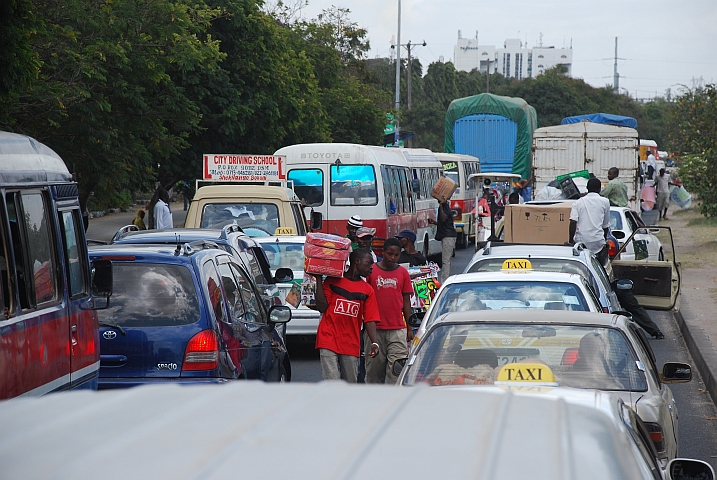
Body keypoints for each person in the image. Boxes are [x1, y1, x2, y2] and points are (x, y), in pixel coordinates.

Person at [314, 248, 380, 382]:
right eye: (369, 263)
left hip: (350, 342)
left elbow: (370, 319)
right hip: (328, 338)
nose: (372, 268)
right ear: (357, 261)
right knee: (332, 383)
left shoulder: (368, 290)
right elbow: (322, 306)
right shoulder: (333, 281)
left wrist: (374, 342)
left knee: (349, 384)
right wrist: (319, 279)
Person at [365, 238, 414, 384]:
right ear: (383, 252)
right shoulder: (371, 272)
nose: (392, 258)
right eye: (389, 254)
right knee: (374, 375)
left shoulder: (403, 273)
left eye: (396, 255)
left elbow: (406, 302)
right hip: (374, 331)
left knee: (396, 373)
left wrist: (409, 328)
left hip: (397, 331)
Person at [569, 178, 611, 265]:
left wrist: (570, 241)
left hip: (581, 241)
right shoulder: (605, 202)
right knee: (599, 268)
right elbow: (605, 225)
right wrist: (604, 240)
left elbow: (573, 222)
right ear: (599, 189)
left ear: (587, 188)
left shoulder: (577, 203)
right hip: (598, 242)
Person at [428, 196, 457, 282]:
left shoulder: (444, 208)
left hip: (448, 237)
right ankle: (446, 278)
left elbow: (444, 219)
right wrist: (435, 222)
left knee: (445, 260)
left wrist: (441, 206)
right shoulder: (446, 208)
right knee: (447, 260)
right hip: (448, 236)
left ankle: (445, 281)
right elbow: (445, 222)